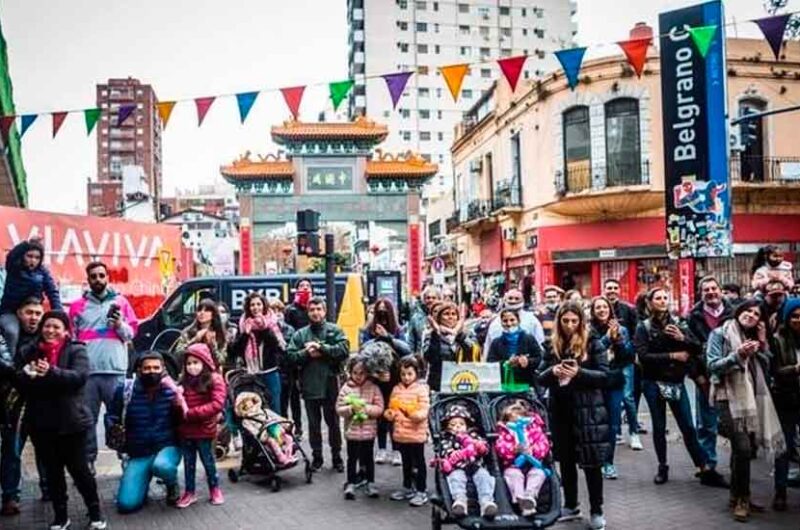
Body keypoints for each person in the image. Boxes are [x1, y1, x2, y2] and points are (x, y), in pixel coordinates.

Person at [16, 311, 106, 530]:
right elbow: (19, 382)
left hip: (72, 423)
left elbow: (78, 378)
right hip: (41, 424)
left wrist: (52, 372)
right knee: (53, 473)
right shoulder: (29, 351)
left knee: (80, 471)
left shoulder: (76, 350)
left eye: (56, 327)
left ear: (65, 330)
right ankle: (60, 516)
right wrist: (26, 375)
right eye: (47, 326)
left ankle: (95, 514)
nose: (50, 331)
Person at [634, 287, 726, 487]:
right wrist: (671, 356)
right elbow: (642, 356)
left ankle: (703, 467)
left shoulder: (679, 322)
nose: (662, 301)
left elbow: (696, 347)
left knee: (688, 426)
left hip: (676, 381)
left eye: (665, 297)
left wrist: (681, 338)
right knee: (659, 427)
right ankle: (663, 466)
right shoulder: (644, 326)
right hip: (653, 383)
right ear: (650, 302)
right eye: (658, 298)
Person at [706, 299, 785, 522]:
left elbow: (767, 366)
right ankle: (743, 498)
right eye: (748, 311)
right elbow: (712, 364)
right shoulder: (720, 333)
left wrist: (761, 344)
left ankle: (735, 495)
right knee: (742, 448)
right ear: (739, 311)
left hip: (752, 398)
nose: (751, 315)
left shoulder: (754, 336)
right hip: (727, 396)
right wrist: (738, 355)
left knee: (742, 448)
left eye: (756, 314)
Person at [538, 302, 609, 530]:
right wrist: (553, 371)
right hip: (560, 409)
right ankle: (571, 504)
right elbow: (539, 376)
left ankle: (597, 509)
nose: (569, 325)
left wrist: (580, 372)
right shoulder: (552, 344)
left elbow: (605, 375)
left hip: (588, 409)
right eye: (565, 321)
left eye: (574, 321)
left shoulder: (593, 341)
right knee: (566, 460)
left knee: (591, 462)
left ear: (581, 321)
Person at [69, 261, 139, 470]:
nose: (98, 279)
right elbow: (72, 340)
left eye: (101, 275)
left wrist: (119, 325)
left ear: (107, 277)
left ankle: (125, 457)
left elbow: (130, 334)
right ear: (88, 279)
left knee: (119, 418)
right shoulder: (76, 307)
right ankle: (88, 460)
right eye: (94, 276)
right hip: (87, 373)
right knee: (87, 419)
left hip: (115, 369)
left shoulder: (121, 302)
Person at [107, 351, 187, 513]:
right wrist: (114, 430)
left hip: (167, 447)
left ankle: (171, 484)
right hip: (139, 452)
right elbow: (112, 415)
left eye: (156, 368)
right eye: (147, 368)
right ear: (139, 370)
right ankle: (140, 480)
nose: (152, 371)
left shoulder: (172, 391)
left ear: (163, 369)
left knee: (162, 466)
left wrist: (180, 406)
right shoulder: (125, 391)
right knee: (126, 504)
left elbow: (182, 422)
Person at [287, 297, 349, 472]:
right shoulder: (300, 334)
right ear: (308, 312)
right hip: (309, 383)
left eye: (318, 309)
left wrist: (322, 348)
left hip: (330, 382)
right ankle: (317, 457)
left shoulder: (335, 330)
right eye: (312, 309)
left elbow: (344, 350)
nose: (315, 312)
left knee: (334, 423)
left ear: (325, 311)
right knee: (313, 425)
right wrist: (307, 353)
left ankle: (337, 457)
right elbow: (290, 356)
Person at [0, 297, 49, 516]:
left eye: (38, 314)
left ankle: (49, 489)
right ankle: (10, 496)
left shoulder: (46, 336)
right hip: (15, 401)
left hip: (41, 400)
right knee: (12, 449)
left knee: (47, 448)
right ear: (18, 313)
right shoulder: (8, 337)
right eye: (29, 312)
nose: (34, 318)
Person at [589, 296, 639, 482]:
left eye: (605, 307)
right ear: (593, 312)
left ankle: (608, 462)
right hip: (595, 381)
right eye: (598, 308)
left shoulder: (622, 329)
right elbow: (594, 351)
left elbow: (628, 355)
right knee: (595, 422)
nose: (602, 310)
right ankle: (595, 458)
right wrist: (608, 338)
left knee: (612, 423)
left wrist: (618, 341)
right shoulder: (588, 330)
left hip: (614, 381)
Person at [687, 276, 733, 478]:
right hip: (705, 376)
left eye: (714, 288)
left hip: (732, 375)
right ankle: (708, 464)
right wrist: (697, 376)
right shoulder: (693, 317)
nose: (711, 292)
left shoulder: (733, 313)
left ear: (720, 290)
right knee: (706, 422)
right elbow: (688, 349)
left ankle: (738, 464)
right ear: (701, 293)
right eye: (706, 290)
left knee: (735, 421)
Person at [176, 343, 227, 509]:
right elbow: (177, 405)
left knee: (208, 461)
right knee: (188, 463)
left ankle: (215, 488)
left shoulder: (214, 379)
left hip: (205, 429)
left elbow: (217, 404)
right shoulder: (183, 381)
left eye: (196, 363)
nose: (192, 367)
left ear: (205, 362)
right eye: (189, 363)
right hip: (186, 431)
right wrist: (176, 404)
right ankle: (189, 492)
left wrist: (193, 413)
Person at [360, 304, 408, 465]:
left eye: (384, 311)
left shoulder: (398, 330)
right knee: (379, 415)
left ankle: (397, 450)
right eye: (378, 311)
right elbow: (363, 350)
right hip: (375, 379)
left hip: (394, 377)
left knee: (393, 414)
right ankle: (381, 449)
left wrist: (388, 337)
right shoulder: (367, 330)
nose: (382, 315)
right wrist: (375, 374)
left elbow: (406, 350)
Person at [434, 404, 497, 518]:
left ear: (467, 425)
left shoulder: (474, 436)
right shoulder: (448, 438)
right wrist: (453, 454)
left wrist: (481, 447)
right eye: (453, 424)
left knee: (484, 477)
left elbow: (484, 449)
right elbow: (445, 452)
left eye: (461, 424)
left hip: (476, 465)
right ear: (448, 427)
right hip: (457, 467)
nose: (458, 426)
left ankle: (486, 502)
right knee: (456, 478)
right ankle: (460, 501)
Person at [0, 239, 62, 355]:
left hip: (34, 312)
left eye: (37, 257)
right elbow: (12, 255)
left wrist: (59, 314)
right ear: (23, 256)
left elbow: (52, 292)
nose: (33, 260)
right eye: (29, 256)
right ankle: (11, 364)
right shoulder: (14, 267)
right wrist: (26, 244)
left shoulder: (43, 272)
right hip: (10, 312)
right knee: (11, 332)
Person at [336, 355, 384, 500]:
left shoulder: (374, 388)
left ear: (367, 373)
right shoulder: (346, 388)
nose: (358, 376)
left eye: (361, 373)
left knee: (368, 458)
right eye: (355, 373)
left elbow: (379, 408)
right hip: (352, 433)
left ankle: (371, 482)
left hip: (369, 432)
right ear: (350, 372)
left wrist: (366, 410)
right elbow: (339, 408)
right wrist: (351, 409)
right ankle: (350, 482)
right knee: (352, 458)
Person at [385, 355, 430, 507]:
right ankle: (407, 487)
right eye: (403, 374)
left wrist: (411, 414)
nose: (406, 377)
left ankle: (421, 490)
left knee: (419, 462)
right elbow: (391, 408)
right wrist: (389, 414)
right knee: (406, 462)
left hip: (416, 433)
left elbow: (424, 411)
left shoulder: (421, 389)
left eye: (409, 374)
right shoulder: (396, 389)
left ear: (416, 373)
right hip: (401, 433)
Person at [495, 399, 551, 517]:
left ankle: (529, 497)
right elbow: (500, 448)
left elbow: (544, 444)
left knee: (538, 474)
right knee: (513, 476)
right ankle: (521, 500)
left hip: (534, 463)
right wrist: (513, 450)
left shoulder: (535, 430)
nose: (517, 421)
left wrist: (532, 450)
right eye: (512, 419)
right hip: (513, 464)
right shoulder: (504, 433)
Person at [232, 292, 284, 410]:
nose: (256, 308)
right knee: (253, 409)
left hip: (270, 372)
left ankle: (274, 429)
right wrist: (245, 334)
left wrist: (264, 328)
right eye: (252, 305)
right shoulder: (243, 324)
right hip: (251, 374)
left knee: (274, 406)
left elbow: (276, 346)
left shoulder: (272, 323)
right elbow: (236, 350)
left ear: (264, 306)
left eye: (258, 304)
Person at [771, 297, 800, 511]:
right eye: (794, 316)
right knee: (784, 448)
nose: (798, 320)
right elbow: (774, 372)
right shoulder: (777, 339)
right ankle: (780, 491)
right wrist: (795, 369)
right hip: (786, 399)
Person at [423, 300, 479, 392]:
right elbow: (429, 356)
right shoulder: (431, 335)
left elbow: (474, 351)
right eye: (446, 314)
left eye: (453, 314)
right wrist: (436, 334)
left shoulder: (467, 334)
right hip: (439, 384)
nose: (450, 317)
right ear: (439, 317)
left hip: (463, 380)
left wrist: (459, 335)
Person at [486, 309, 543, 392]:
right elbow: (491, 363)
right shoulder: (496, 342)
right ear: (501, 323)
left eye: (512, 320)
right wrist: (507, 363)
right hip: (504, 386)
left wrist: (527, 361)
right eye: (505, 321)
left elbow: (538, 357)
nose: (509, 324)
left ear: (518, 321)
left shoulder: (528, 338)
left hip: (527, 383)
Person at [483, 289, 545, 356]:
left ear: (523, 301)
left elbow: (540, 344)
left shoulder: (532, 320)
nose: (513, 301)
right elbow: (488, 347)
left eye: (516, 298)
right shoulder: (495, 322)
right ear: (505, 300)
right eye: (510, 298)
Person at [172, 299, 228, 369]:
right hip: (190, 371)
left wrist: (212, 344)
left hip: (211, 373)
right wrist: (194, 340)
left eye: (206, 310)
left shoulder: (220, 333)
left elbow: (221, 361)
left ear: (213, 314)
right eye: (199, 310)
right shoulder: (188, 331)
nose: (202, 313)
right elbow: (178, 355)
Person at [407, 286, 442, 354]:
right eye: (428, 298)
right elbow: (411, 342)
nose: (430, 300)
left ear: (439, 299)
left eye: (434, 298)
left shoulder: (444, 316)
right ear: (424, 300)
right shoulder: (415, 318)